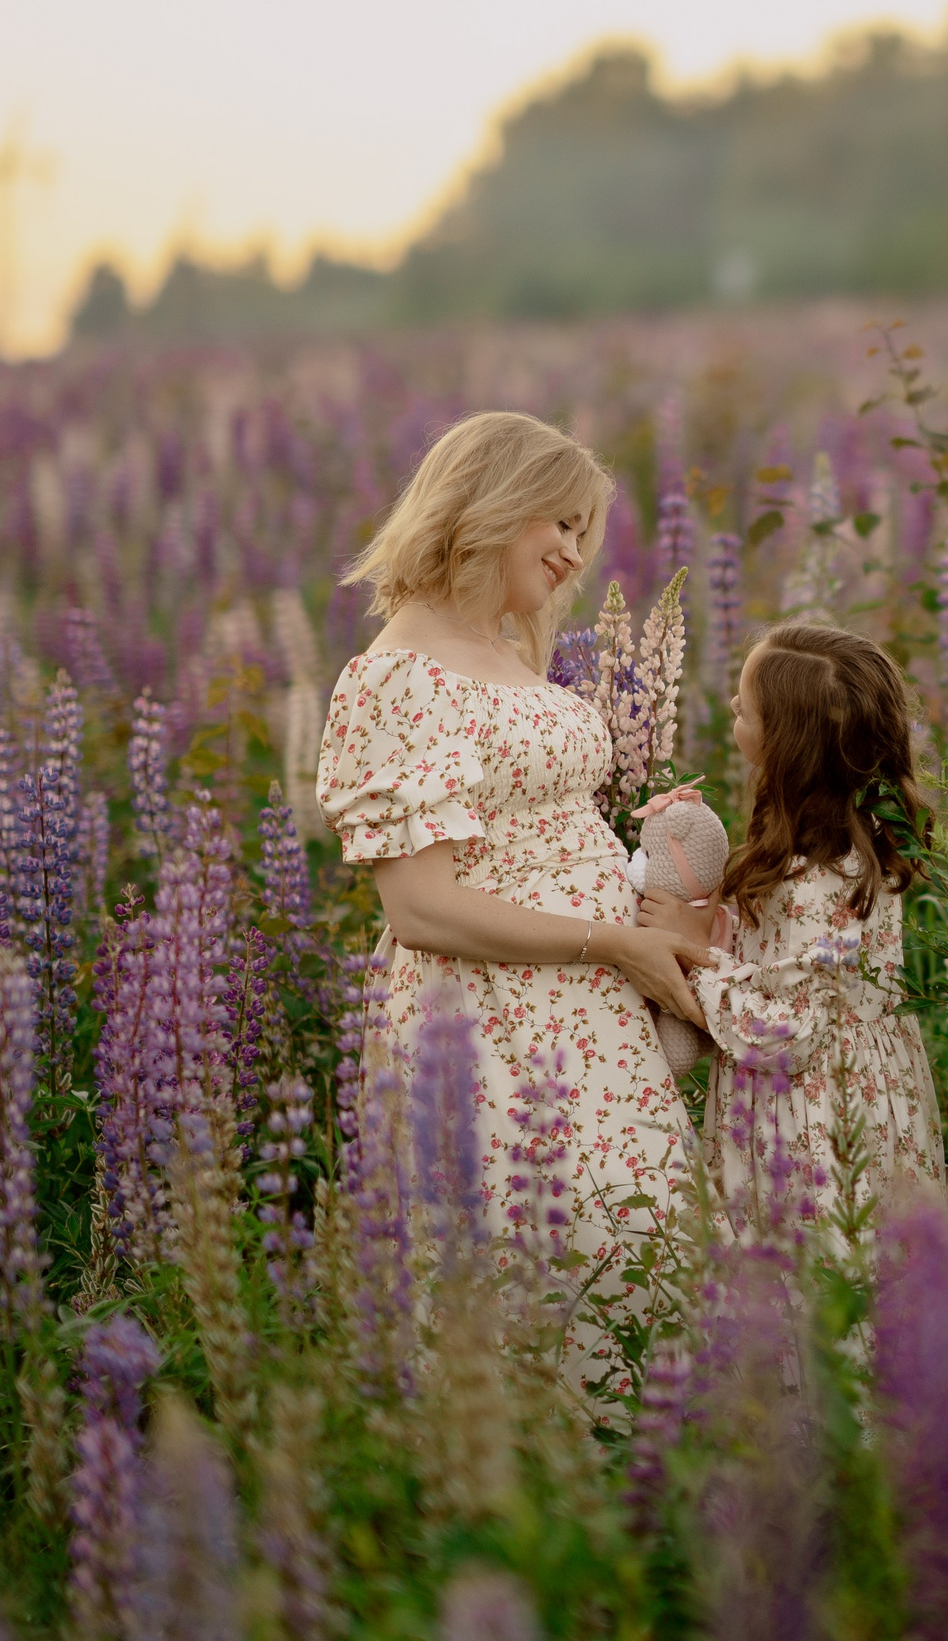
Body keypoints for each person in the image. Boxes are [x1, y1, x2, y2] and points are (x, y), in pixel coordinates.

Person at [318, 410, 710, 1386]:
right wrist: (612, 944)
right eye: (560, 522)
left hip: (595, 1017)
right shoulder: (396, 676)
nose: (576, 550)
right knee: (536, 1285)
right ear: (491, 505)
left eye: (584, 529)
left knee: (646, 1268)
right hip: (492, 1027)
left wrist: (659, 879)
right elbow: (420, 909)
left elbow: (542, 835)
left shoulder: (506, 649)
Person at [639, 622, 944, 1227]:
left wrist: (699, 953)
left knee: (816, 1253)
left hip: (814, 1117)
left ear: (785, 745)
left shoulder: (823, 878)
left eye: (743, 709)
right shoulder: (849, 840)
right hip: (858, 1088)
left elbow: (786, 1033)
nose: (732, 706)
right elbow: (792, 965)